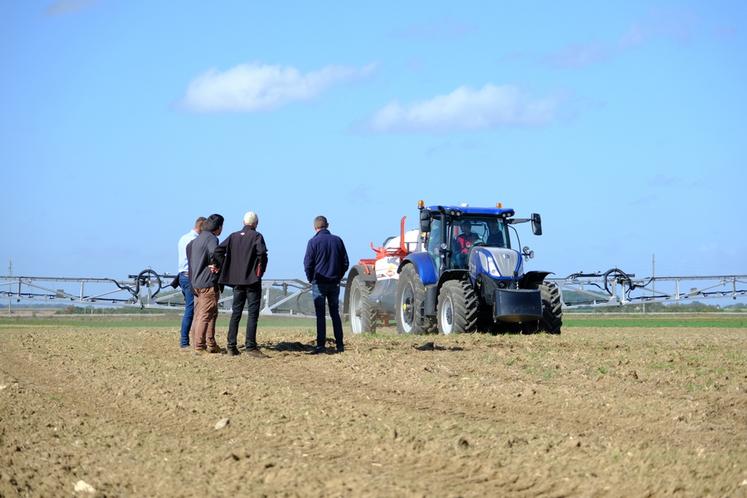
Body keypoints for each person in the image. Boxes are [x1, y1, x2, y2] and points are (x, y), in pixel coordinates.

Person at [213, 211, 268, 357]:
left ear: (243, 222)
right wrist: (260, 271)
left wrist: (225, 266)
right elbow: (262, 254)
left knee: (235, 313)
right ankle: (250, 346)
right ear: (256, 223)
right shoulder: (257, 236)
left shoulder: (233, 236)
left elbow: (218, 251)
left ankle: (231, 346)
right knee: (252, 313)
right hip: (252, 280)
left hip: (237, 281)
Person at [303, 215, 349, 354]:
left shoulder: (313, 242)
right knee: (335, 313)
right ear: (327, 225)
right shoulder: (338, 240)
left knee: (320, 315)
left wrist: (311, 278)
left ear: (314, 227)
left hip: (319, 282)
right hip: (334, 282)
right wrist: (338, 276)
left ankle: (321, 345)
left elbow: (308, 264)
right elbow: (345, 262)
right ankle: (340, 344)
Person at [187, 213, 225, 353]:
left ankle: (210, 343)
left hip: (196, 282)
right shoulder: (212, 239)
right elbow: (215, 254)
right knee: (205, 315)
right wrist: (218, 265)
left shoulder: (197, 239)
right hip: (207, 283)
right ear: (218, 227)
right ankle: (199, 346)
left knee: (203, 314)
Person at [176, 216, 206, 350]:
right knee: (191, 309)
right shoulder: (195, 240)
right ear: (201, 227)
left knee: (190, 308)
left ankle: (187, 340)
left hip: (182, 275)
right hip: (190, 277)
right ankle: (184, 342)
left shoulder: (183, 238)